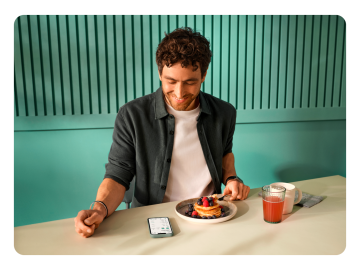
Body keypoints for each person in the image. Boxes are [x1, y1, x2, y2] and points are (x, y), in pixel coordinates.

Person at [74, 27, 250, 238]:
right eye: (171, 81)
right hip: (155, 222)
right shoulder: (131, 115)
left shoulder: (225, 112)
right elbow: (118, 174)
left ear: (203, 75)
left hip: (209, 218)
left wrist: (232, 179)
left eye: (190, 82)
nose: (179, 93)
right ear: (160, 73)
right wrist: (99, 208)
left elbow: (224, 154)